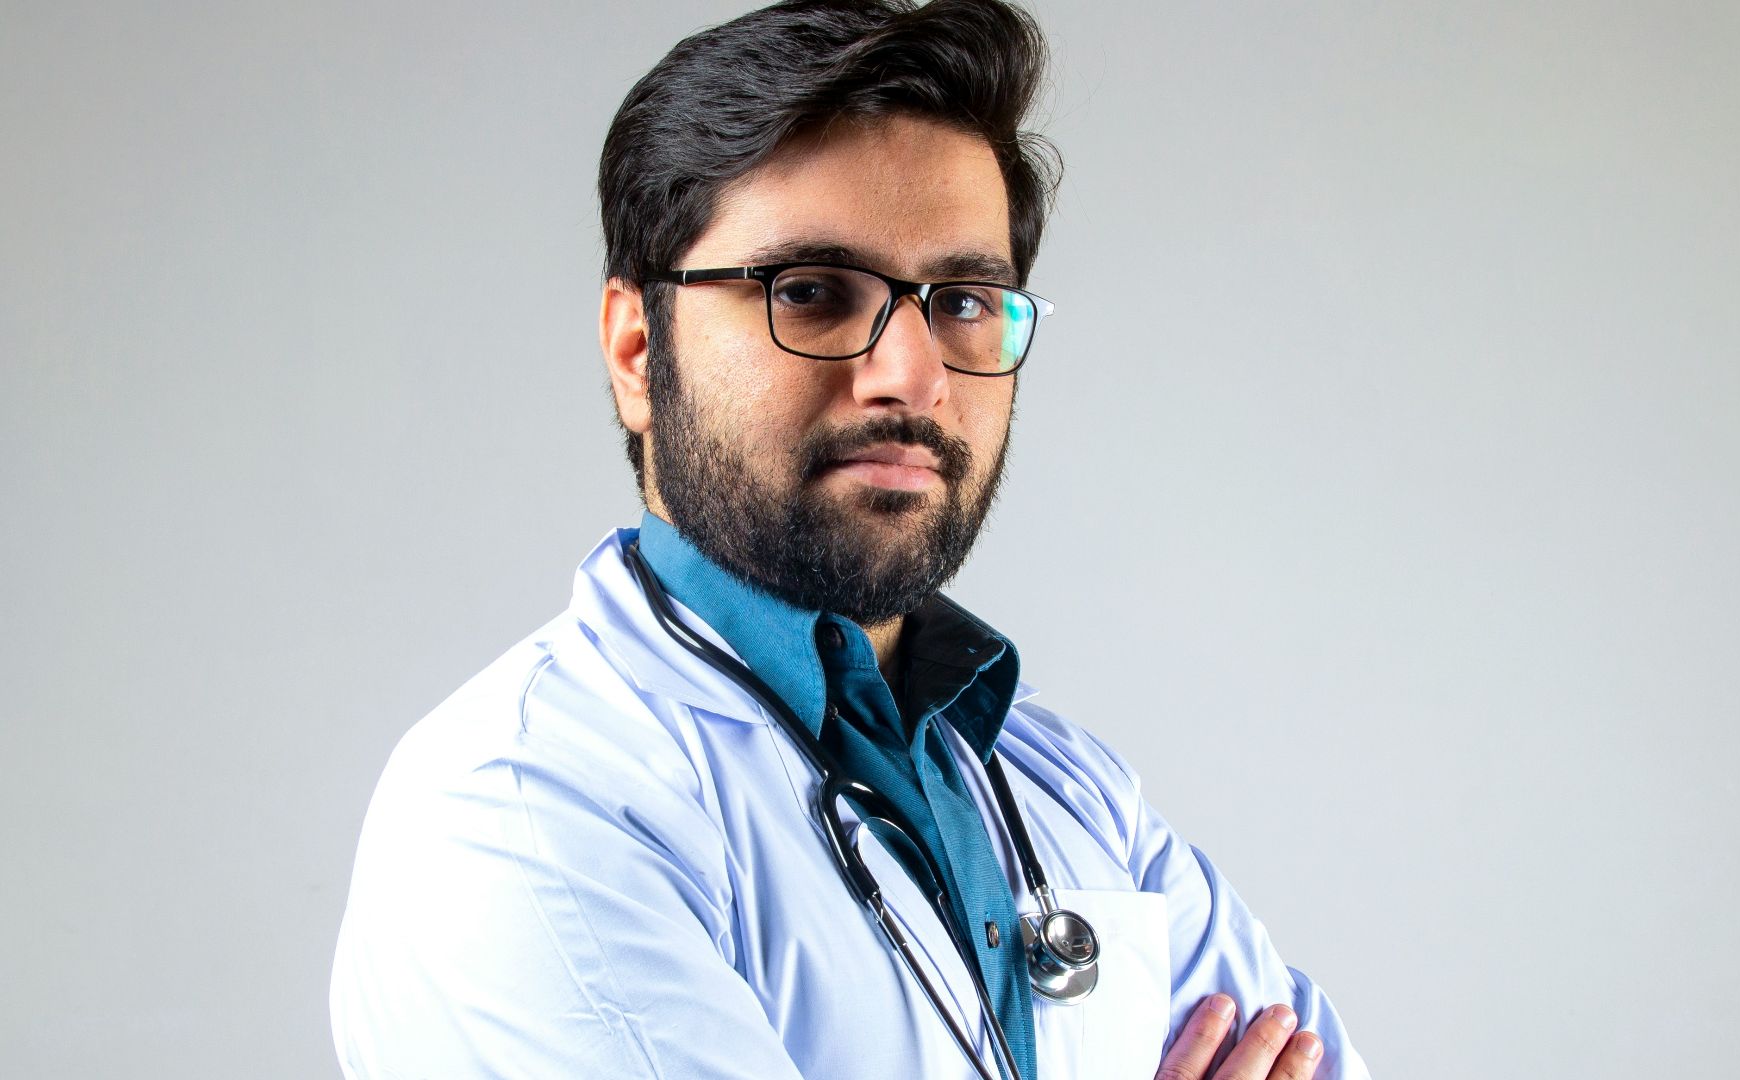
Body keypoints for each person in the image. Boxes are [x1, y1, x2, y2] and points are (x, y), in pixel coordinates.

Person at [329, 2, 1369, 1078]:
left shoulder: (1066, 788)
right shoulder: (524, 809)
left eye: (963, 300)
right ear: (640, 349)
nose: (912, 375)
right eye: (814, 293)